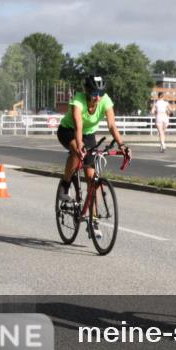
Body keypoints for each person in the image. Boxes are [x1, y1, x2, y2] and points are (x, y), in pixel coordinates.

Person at [55, 75, 130, 240]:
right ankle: (65, 185)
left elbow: (112, 125)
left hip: (88, 134)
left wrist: (122, 145)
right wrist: (80, 145)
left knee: (92, 179)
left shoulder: (105, 100)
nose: (98, 97)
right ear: (87, 91)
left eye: (100, 94)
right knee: (77, 151)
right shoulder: (78, 100)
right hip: (68, 131)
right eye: (94, 93)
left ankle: (93, 221)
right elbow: (78, 126)